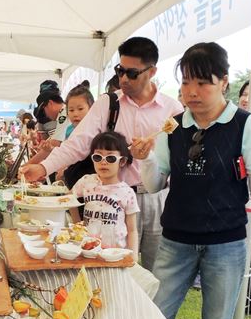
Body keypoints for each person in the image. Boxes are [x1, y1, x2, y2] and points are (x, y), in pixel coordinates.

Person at [131, 42, 251, 319]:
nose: (192, 92)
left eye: (203, 83)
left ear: (224, 82)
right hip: (175, 240)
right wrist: (144, 158)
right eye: (186, 82)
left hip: (226, 244)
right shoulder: (172, 127)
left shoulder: (245, 126)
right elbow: (156, 184)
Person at [21, 37, 182, 271]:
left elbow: (177, 161)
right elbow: (78, 143)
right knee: (110, 266)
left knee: (155, 272)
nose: (123, 79)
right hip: (113, 200)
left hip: (157, 199)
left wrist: (150, 158)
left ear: (152, 71)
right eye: (120, 71)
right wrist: (45, 167)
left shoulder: (172, 110)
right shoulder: (109, 103)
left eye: (132, 73)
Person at [72, 132, 139, 259]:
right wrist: (77, 224)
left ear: (122, 161)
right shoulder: (87, 181)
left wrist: (133, 257)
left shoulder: (127, 192)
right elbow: (69, 198)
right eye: (98, 157)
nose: (103, 162)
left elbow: (132, 230)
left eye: (110, 158)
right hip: (88, 251)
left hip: (115, 254)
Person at [58, 83, 96, 189]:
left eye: (80, 109)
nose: (75, 114)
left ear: (92, 109)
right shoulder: (69, 130)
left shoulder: (95, 132)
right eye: (71, 110)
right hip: (72, 184)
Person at [32, 80, 68, 160]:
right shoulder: (62, 113)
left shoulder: (63, 113)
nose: (46, 115)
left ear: (50, 103)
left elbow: (55, 143)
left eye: (44, 110)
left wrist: (27, 165)